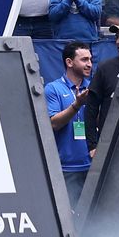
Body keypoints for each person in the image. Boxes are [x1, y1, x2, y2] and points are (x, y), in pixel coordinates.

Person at [44, 41, 93, 205]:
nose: (89, 64)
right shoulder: (53, 89)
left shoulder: (93, 88)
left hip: (92, 167)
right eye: (84, 60)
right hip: (65, 169)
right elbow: (53, 123)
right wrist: (76, 105)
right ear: (69, 62)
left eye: (90, 60)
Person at [84, 20, 119, 152]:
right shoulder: (105, 68)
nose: (118, 42)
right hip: (109, 145)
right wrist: (92, 145)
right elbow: (91, 108)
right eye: (117, 38)